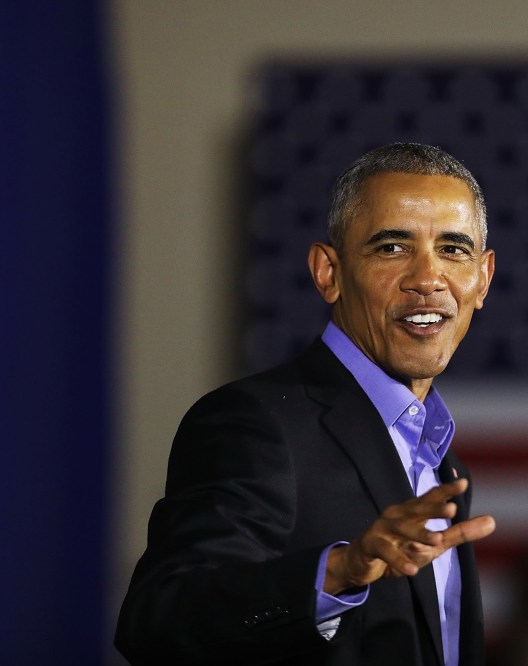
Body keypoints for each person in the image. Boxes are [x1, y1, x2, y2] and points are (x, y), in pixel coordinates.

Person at [115, 143, 497, 665]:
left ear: (483, 278)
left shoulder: (444, 466)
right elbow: (160, 620)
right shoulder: (255, 423)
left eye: (453, 249)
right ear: (328, 272)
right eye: (391, 247)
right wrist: (338, 572)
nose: (427, 279)